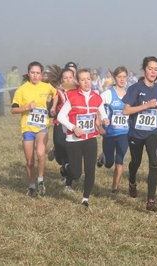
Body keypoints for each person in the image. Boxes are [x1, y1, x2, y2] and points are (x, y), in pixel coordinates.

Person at [122, 56, 157, 212]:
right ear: (144, 70)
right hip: (136, 133)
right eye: (150, 68)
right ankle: (132, 182)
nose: (153, 72)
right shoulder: (135, 88)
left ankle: (151, 200)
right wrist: (145, 106)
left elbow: (155, 106)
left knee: (154, 163)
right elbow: (126, 110)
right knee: (135, 162)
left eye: (156, 69)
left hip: (153, 131)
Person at [57, 69, 109, 207]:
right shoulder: (72, 96)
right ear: (78, 82)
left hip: (90, 138)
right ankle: (66, 167)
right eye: (82, 80)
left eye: (88, 79)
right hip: (74, 140)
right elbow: (60, 117)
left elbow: (101, 110)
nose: (86, 82)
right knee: (76, 174)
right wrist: (74, 127)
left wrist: (105, 119)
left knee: (90, 169)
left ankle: (85, 199)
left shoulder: (96, 96)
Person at [11, 61, 57, 197]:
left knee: (41, 154)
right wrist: (26, 108)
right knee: (29, 161)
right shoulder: (22, 89)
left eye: (38, 73)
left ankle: (41, 180)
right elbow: (13, 109)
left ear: (41, 75)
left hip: (42, 127)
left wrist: (53, 107)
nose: (35, 76)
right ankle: (31, 185)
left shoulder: (47, 87)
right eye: (33, 73)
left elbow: (56, 94)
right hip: (27, 128)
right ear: (28, 73)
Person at [96, 66, 129, 194]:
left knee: (119, 161)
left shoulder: (129, 93)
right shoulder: (108, 93)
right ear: (115, 78)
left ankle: (114, 188)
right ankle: (103, 157)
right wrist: (103, 117)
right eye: (119, 77)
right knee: (109, 163)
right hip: (109, 133)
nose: (122, 79)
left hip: (124, 133)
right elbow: (97, 103)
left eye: (124, 77)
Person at [45, 65, 76, 191]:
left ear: (73, 78)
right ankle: (59, 158)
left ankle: (68, 183)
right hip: (59, 123)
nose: (68, 80)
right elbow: (51, 106)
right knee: (60, 157)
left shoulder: (78, 91)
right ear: (62, 79)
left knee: (71, 155)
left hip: (73, 125)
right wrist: (52, 109)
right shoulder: (57, 92)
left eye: (70, 77)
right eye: (65, 78)